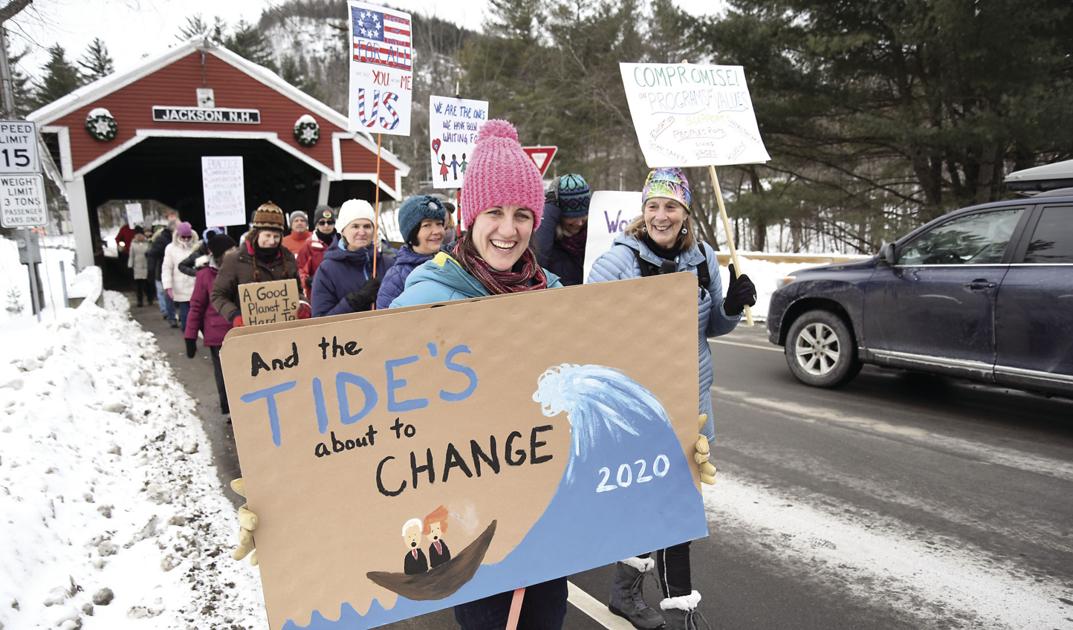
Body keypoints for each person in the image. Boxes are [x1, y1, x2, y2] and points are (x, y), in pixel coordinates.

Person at [390, 119, 569, 629]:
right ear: (470, 216)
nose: (508, 229)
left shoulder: (555, 297)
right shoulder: (427, 295)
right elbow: (375, 414)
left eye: (521, 214)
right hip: (469, 521)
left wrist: (673, 448)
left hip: (543, 519)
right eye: (494, 212)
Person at [588, 167, 757, 630]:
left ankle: (627, 592)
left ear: (685, 212)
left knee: (672, 504)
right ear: (643, 212)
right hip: (640, 406)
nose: (662, 215)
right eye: (654, 206)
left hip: (691, 402)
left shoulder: (702, 257)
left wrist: (731, 306)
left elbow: (714, 328)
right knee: (666, 507)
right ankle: (678, 608)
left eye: (672, 206)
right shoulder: (616, 262)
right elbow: (588, 332)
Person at [211, 202, 304, 327]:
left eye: (276, 237)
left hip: (284, 330)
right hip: (251, 332)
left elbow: (297, 291)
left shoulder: (288, 258)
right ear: (256, 234)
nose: (272, 241)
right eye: (267, 235)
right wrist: (234, 315)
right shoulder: (235, 259)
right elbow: (218, 295)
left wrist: (304, 305)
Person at [310, 199, 394, 317]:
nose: (362, 232)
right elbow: (320, 321)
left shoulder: (388, 263)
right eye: (355, 226)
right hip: (351, 335)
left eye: (367, 226)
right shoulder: (327, 270)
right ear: (343, 231)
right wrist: (355, 301)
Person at [184, 233, 237, 415]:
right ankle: (229, 409)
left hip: (240, 329)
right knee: (224, 375)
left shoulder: (240, 269)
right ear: (218, 254)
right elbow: (196, 306)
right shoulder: (205, 275)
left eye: (234, 248)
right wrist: (190, 336)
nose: (233, 252)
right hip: (218, 335)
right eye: (229, 250)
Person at [375, 194, 446, 309]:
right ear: (412, 233)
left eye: (439, 224)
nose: (437, 231)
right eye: (427, 225)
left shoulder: (450, 263)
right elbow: (384, 321)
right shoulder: (396, 277)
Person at [534, 173, 591, 286]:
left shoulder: (593, 238)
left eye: (584, 218)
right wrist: (549, 208)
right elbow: (537, 264)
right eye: (572, 219)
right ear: (558, 215)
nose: (579, 223)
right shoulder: (548, 239)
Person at [162, 221, 197, 330]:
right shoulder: (170, 248)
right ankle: (189, 340)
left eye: (188, 236)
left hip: (196, 286)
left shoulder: (196, 246)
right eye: (183, 236)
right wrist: (168, 286)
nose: (186, 239)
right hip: (180, 288)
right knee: (185, 316)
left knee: (197, 316)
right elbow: (167, 268)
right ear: (178, 235)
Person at [296, 205, 336, 300]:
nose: (326, 226)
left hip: (339, 290)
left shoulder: (342, 243)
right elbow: (299, 270)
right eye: (322, 223)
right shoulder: (308, 245)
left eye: (330, 222)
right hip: (318, 294)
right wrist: (308, 280)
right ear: (316, 225)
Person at [147, 210, 178, 323]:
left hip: (178, 272)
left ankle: (173, 314)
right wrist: (151, 270)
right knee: (166, 294)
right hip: (163, 271)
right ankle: (169, 314)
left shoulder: (180, 239)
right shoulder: (162, 240)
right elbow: (151, 254)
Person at [127, 230, 152, 307]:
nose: (139, 237)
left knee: (147, 284)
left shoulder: (148, 243)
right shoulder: (133, 244)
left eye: (141, 235)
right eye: (138, 235)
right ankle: (139, 301)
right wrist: (130, 265)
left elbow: (151, 253)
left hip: (146, 266)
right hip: (137, 267)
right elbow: (131, 255)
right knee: (139, 286)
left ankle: (149, 298)